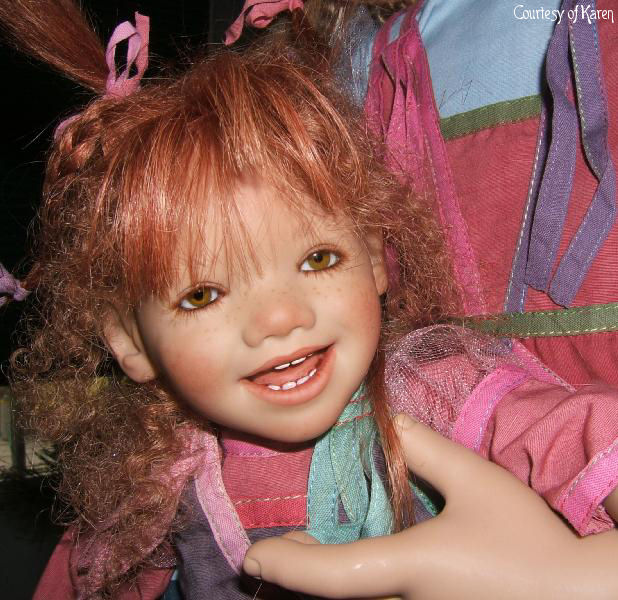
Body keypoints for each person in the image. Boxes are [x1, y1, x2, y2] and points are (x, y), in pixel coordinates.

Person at [1, 1, 617, 599]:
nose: (281, 318)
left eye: (318, 259)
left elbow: (569, 433)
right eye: (202, 295)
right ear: (131, 342)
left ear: (373, 257)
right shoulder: (156, 475)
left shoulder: (431, 388)